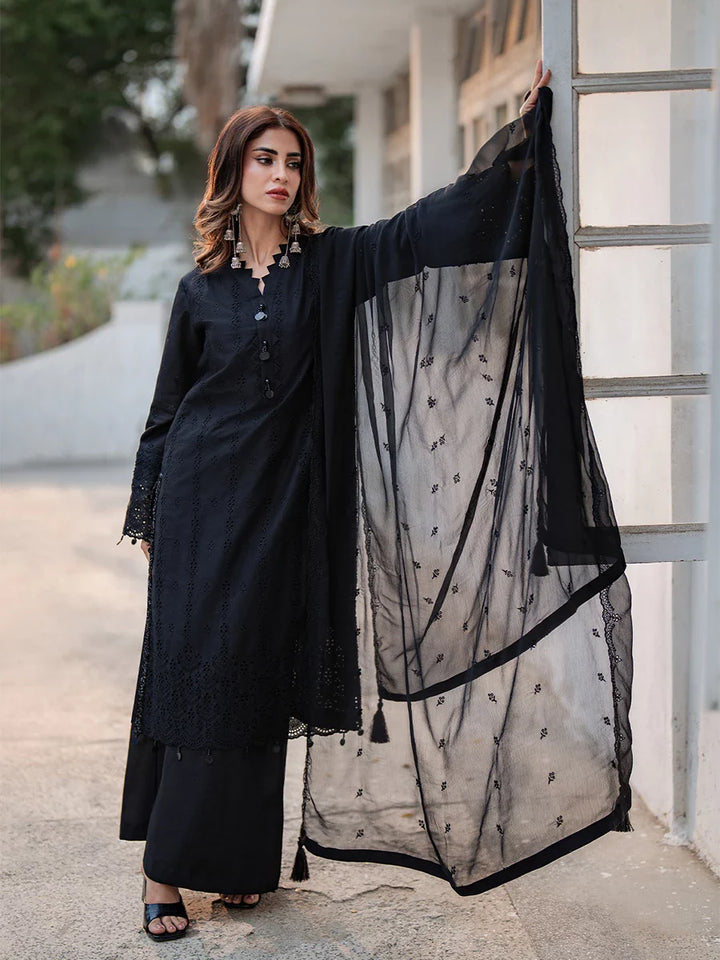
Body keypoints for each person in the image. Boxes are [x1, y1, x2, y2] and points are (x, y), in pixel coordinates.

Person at [119, 59, 633, 942]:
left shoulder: (331, 264)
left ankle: (238, 865)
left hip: (285, 513)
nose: (282, 175)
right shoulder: (198, 291)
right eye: (265, 160)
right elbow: (169, 413)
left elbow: (419, 232)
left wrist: (512, 150)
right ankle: (162, 874)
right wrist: (150, 511)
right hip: (201, 508)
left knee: (258, 680)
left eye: (293, 162)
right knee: (197, 680)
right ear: (233, 170)